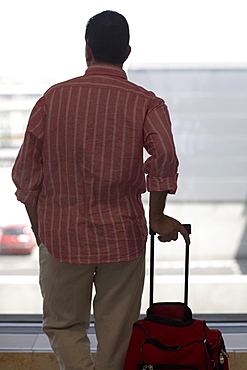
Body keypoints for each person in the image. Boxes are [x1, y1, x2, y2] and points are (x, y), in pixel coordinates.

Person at [12, 10, 190, 370]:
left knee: (63, 326)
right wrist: (156, 216)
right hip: (123, 237)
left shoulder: (53, 99)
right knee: (117, 334)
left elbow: (26, 175)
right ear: (126, 51)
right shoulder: (146, 102)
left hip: (61, 237)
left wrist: (40, 230)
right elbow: (166, 154)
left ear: (87, 50)